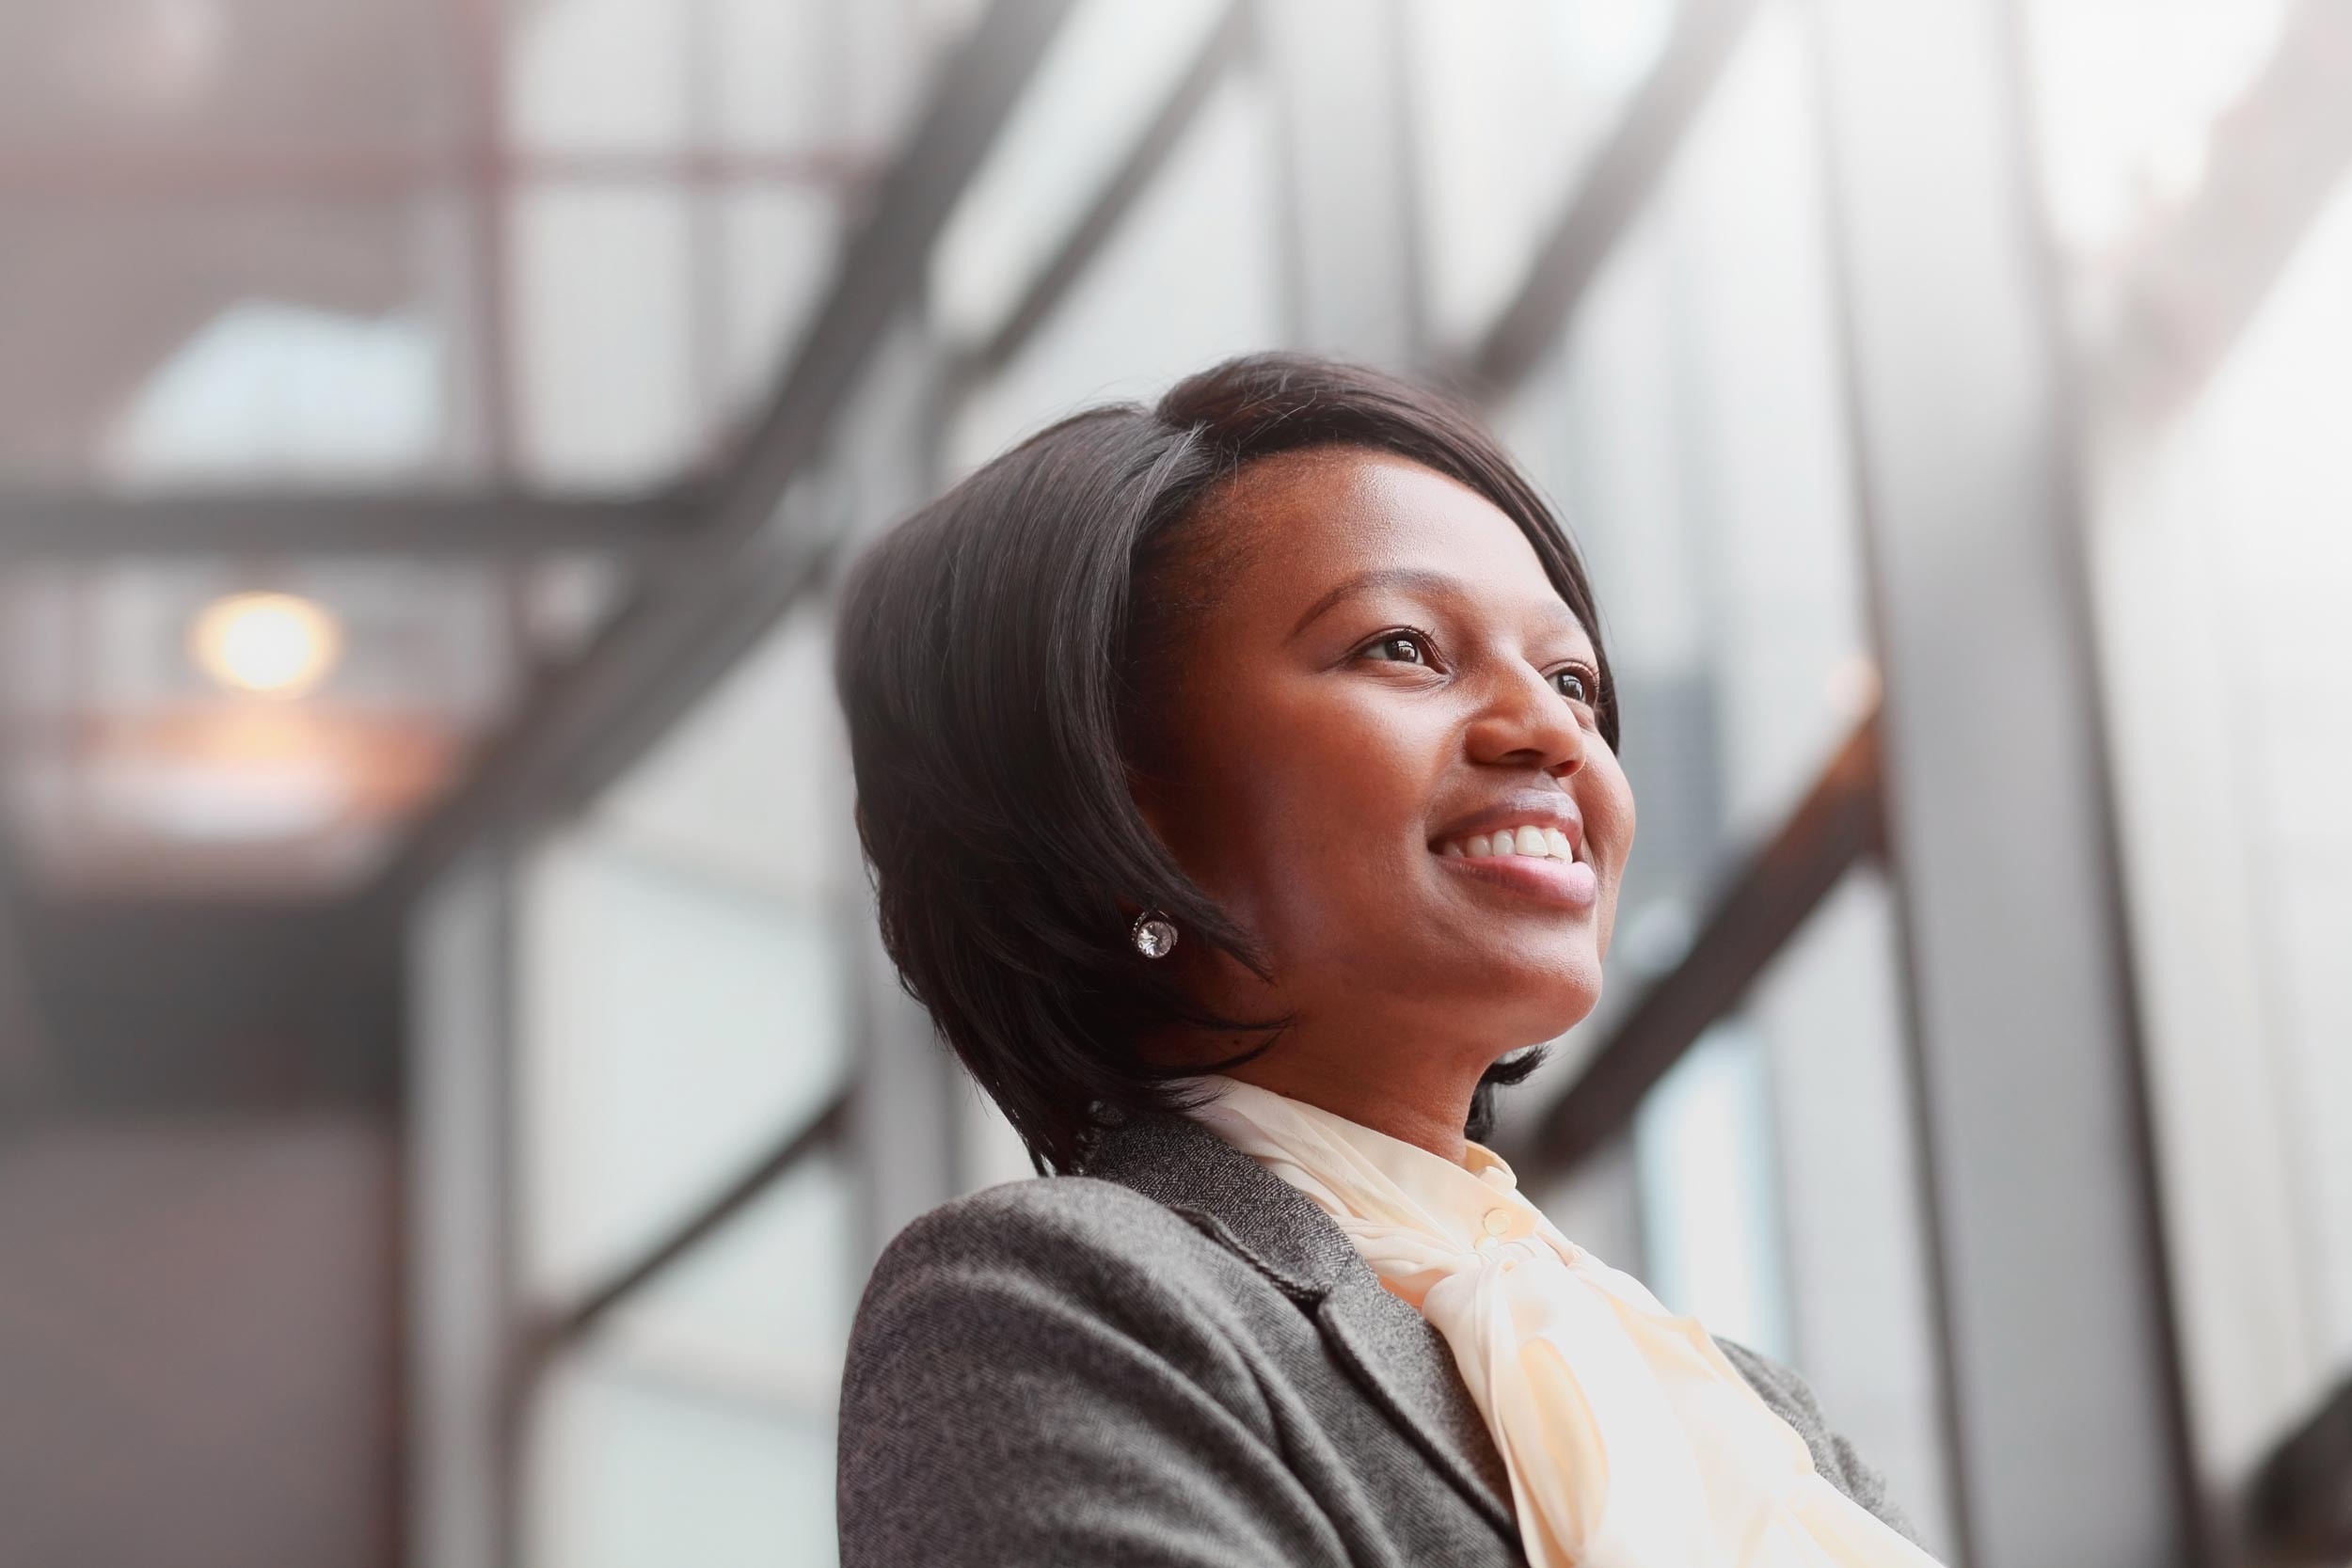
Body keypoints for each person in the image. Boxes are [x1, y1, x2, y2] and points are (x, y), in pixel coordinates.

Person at [830, 352, 1940, 1565]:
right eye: (1404, 648)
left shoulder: (1762, 1426)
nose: (1552, 731)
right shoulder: (1055, 1300)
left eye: (1572, 678)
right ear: (1122, 798)